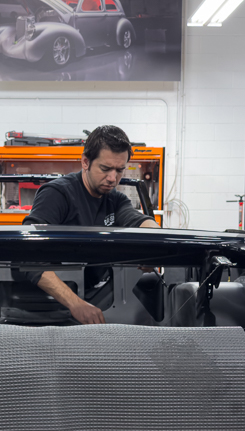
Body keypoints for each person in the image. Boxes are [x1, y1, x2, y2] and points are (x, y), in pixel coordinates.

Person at [21, 125, 160, 324]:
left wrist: (155, 243)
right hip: (51, 303)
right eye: (105, 169)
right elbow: (28, 257)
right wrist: (76, 304)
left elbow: (138, 220)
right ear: (85, 162)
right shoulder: (58, 195)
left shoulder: (115, 200)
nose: (113, 178)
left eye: (119, 170)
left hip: (94, 291)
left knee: (152, 284)